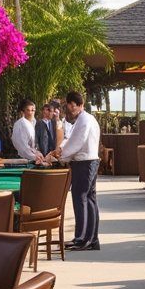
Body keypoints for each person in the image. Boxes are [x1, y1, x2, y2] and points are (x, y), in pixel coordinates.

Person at [53, 91, 101, 251]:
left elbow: (76, 143)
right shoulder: (84, 119)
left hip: (84, 163)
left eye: (75, 105)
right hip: (89, 161)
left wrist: (60, 155)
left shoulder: (84, 120)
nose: (71, 108)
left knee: (80, 198)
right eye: (69, 105)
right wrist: (61, 151)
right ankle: (91, 239)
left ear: (81, 105)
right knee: (89, 199)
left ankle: (82, 239)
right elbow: (72, 140)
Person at [11, 99, 44, 164]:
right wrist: (34, 157)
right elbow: (22, 147)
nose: (32, 112)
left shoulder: (33, 123)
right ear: (23, 112)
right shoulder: (21, 124)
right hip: (23, 159)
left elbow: (32, 145)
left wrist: (37, 153)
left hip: (32, 158)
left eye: (33, 110)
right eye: (29, 110)